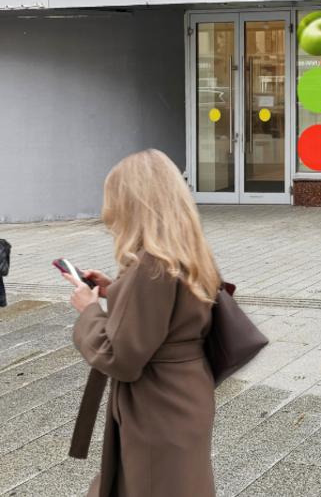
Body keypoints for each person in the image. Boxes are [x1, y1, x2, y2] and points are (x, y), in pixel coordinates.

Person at [60, 149, 220, 497]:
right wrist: (116, 289)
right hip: (185, 394)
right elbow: (172, 315)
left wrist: (89, 310)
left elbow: (120, 357)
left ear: (133, 205)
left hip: (156, 404)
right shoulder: (189, 254)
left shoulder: (152, 265)